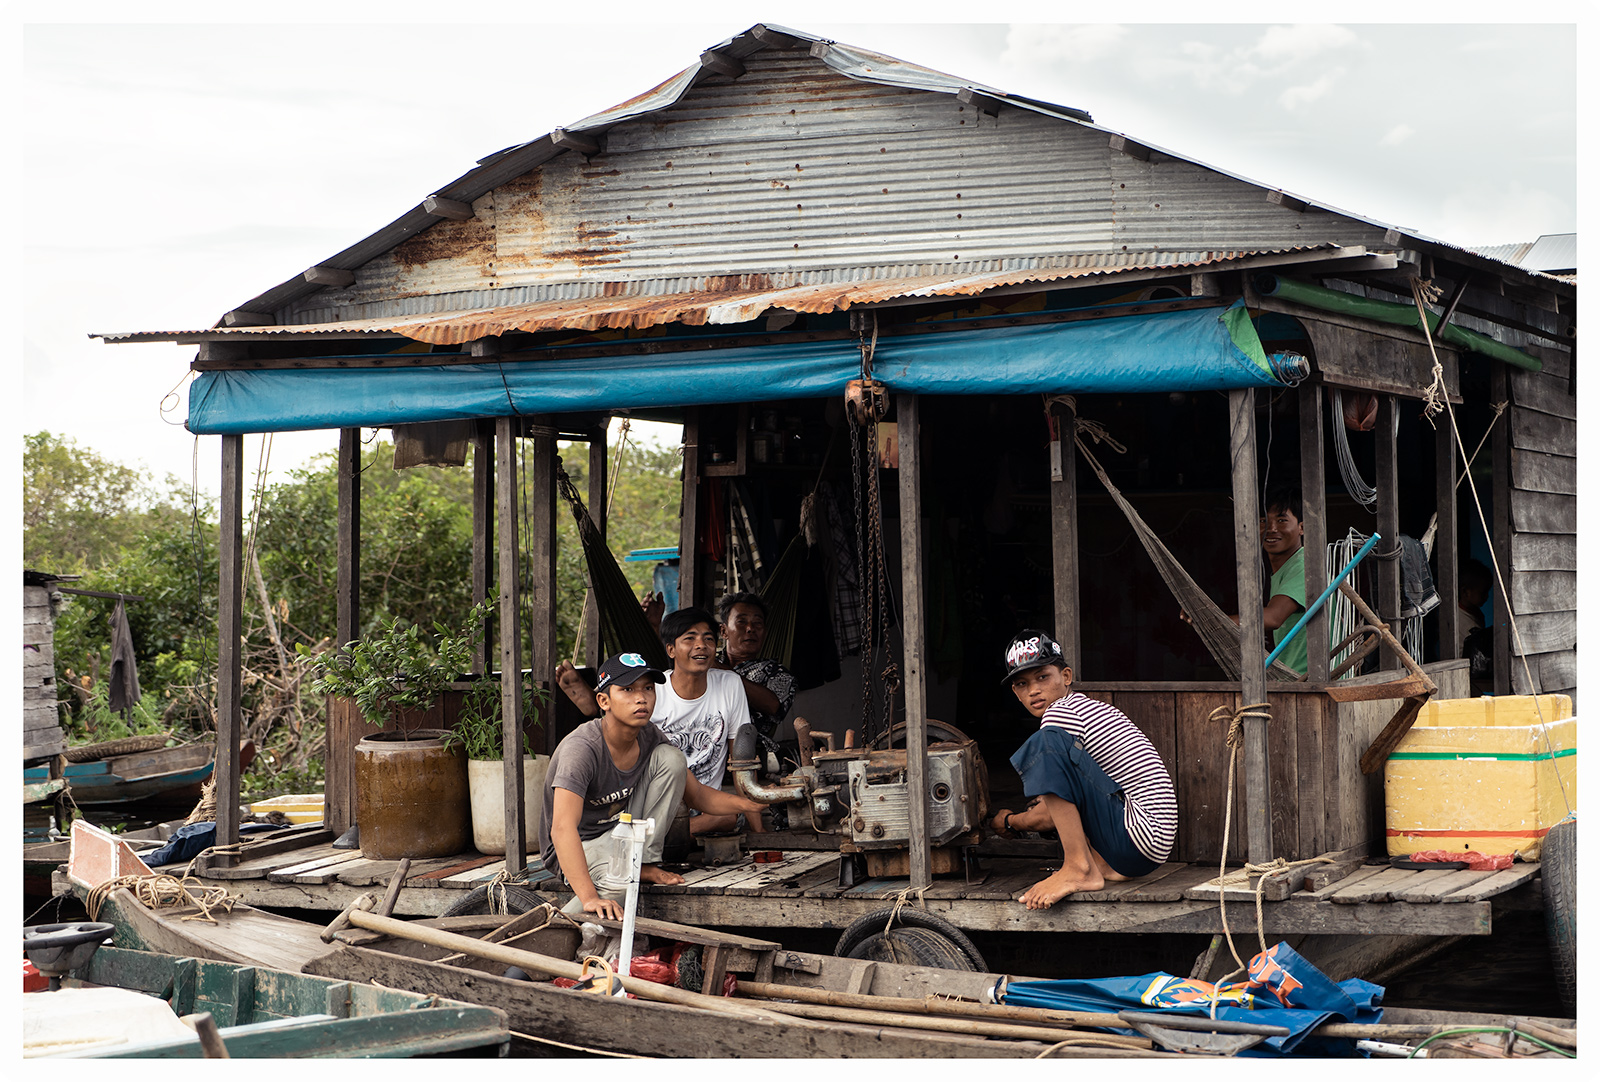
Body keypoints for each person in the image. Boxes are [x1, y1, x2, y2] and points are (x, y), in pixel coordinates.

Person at [540, 651, 763, 919]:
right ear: (603, 700)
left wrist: (751, 802)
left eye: (648, 688)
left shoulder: (650, 736)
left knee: (671, 758)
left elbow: (698, 795)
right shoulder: (582, 749)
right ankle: (554, 928)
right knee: (621, 884)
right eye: (627, 690)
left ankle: (641, 863)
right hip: (578, 844)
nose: (641, 698)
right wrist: (588, 898)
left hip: (620, 834)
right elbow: (563, 829)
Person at [988, 630, 1177, 909]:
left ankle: (1079, 868)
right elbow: (1058, 808)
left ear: (1066, 677)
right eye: (1022, 684)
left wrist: (1007, 822)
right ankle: (1097, 864)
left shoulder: (1060, 714)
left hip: (1137, 835)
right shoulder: (1083, 710)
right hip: (1143, 850)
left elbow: (1047, 817)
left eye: (1043, 677)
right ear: (1016, 693)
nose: (1034, 690)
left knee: (1044, 743)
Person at [1180, 485, 1309, 675]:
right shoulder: (1287, 568)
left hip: (1310, 683)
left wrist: (1210, 620)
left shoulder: (1304, 565)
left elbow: (1273, 617)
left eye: (1282, 520)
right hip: (1294, 681)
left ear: (1302, 528)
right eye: (1263, 520)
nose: (1271, 529)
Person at [714, 591, 796, 753]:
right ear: (724, 632)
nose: (750, 628)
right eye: (741, 622)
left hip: (749, 752)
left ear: (764, 632)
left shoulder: (776, 673)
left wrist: (720, 670)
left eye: (758, 623)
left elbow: (773, 706)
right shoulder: (705, 665)